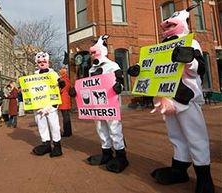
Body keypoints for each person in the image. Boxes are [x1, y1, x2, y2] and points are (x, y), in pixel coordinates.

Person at [128, 4, 215, 193]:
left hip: (185, 97)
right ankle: (179, 168)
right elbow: (155, 69)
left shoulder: (191, 43)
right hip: (166, 97)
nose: (166, 29)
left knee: (195, 135)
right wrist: (139, 71)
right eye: (165, 27)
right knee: (175, 135)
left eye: (170, 26)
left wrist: (188, 59)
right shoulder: (162, 47)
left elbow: (200, 68)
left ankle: (204, 176)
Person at [71, 35, 129, 173]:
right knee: (100, 127)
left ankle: (121, 155)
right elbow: (89, 86)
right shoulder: (91, 70)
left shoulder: (113, 65)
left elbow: (120, 81)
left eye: (94, 52)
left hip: (110, 103)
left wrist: (118, 87)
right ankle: (106, 152)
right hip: (97, 105)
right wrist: (77, 91)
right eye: (90, 53)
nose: (92, 55)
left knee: (114, 127)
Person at [32, 51, 64, 157]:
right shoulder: (34, 75)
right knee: (41, 125)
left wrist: (61, 84)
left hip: (51, 105)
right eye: (39, 61)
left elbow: (59, 86)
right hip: (39, 105)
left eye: (44, 61)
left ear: (48, 62)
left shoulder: (53, 74)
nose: (42, 63)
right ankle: (46, 144)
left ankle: (57, 145)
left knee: (54, 125)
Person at [59, 67, 72, 137]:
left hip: (63, 99)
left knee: (65, 117)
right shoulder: (68, 79)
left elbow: (61, 90)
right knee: (67, 116)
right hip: (67, 99)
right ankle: (69, 132)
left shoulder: (62, 80)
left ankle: (66, 132)